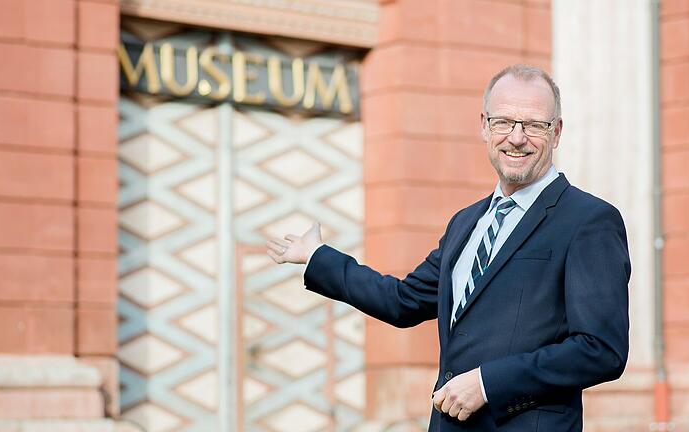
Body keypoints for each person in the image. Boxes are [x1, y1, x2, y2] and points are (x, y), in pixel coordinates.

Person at [266, 64, 630, 432]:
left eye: (534, 125)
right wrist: (317, 258)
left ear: (557, 133)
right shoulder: (466, 223)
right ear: (484, 126)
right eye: (503, 122)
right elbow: (403, 300)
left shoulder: (589, 221)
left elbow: (600, 350)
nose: (517, 138)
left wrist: (488, 383)